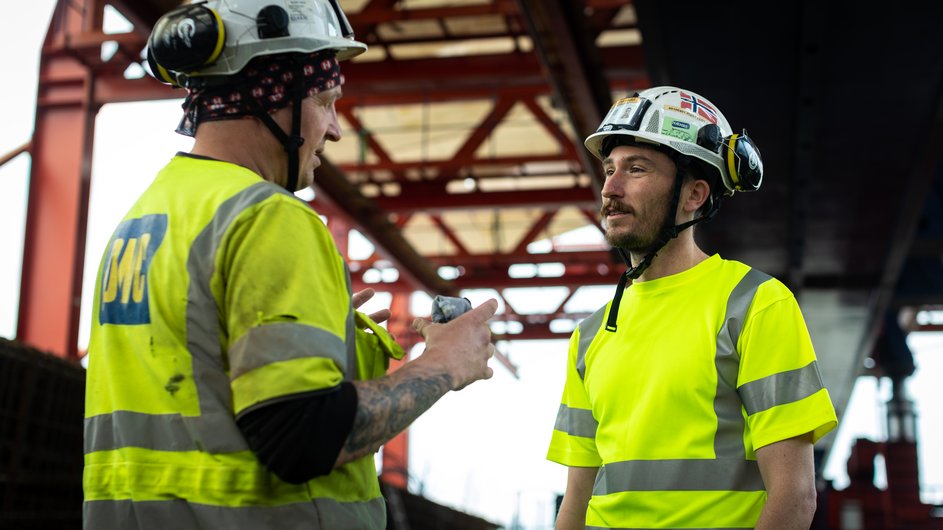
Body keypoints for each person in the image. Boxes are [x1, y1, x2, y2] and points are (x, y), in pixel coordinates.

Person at [82, 1, 497, 528]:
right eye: (325, 101)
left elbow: (194, 390)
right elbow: (302, 438)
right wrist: (443, 364)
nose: (335, 129)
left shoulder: (146, 218)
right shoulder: (267, 217)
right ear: (270, 94)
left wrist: (314, 328)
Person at [547, 87, 838, 529]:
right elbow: (575, 504)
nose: (610, 187)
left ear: (695, 194)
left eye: (636, 169)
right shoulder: (589, 334)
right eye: (609, 170)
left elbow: (794, 497)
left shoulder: (754, 305)